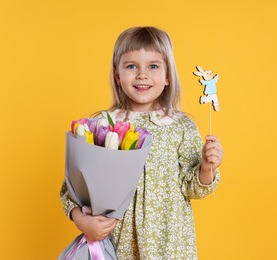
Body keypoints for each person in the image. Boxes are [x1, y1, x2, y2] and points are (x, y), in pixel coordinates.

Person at [60, 26, 224, 259]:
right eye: (131, 66)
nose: (142, 75)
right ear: (117, 74)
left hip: (169, 244)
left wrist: (207, 167)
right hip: (117, 243)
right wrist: (81, 220)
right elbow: (73, 189)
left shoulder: (181, 126)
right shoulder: (99, 126)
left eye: (153, 66)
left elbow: (193, 188)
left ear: (168, 76)